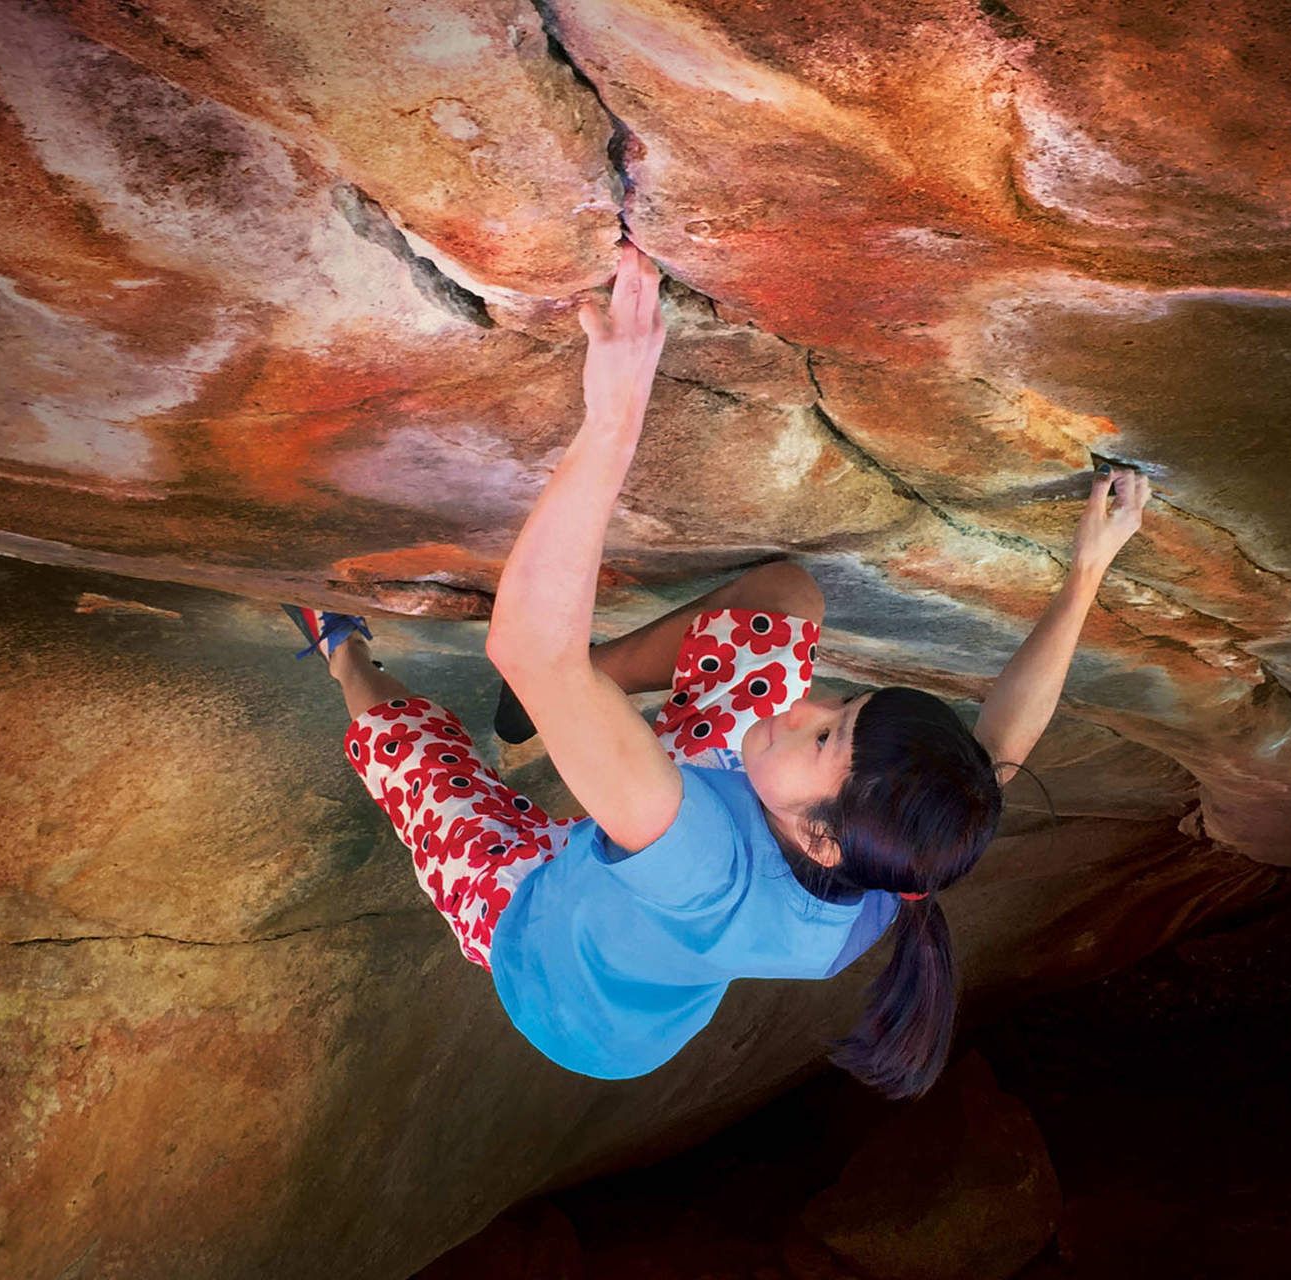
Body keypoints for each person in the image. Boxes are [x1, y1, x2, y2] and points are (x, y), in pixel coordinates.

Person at [285, 241, 1152, 1098]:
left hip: (543, 944)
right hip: (708, 834)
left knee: (415, 753)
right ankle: (597, 687)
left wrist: (615, 419)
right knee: (785, 600)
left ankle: (340, 648)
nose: (807, 698)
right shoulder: (894, 851)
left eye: (824, 734)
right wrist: (1087, 574)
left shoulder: (704, 863)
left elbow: (526, 645)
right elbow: (1001, 743)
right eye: (844, 706)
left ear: (821, 837)